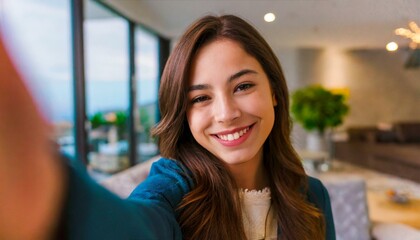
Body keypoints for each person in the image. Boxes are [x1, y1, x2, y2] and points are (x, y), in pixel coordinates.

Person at [0, 14, 335, 239]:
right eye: (200, 98)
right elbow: (139, 224)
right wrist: (50, 191)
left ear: (274, 92)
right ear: (183, 114)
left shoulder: (311, 195)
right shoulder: (173, 193)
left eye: (243, 87)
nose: (226, 113)